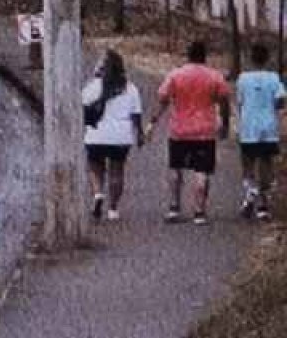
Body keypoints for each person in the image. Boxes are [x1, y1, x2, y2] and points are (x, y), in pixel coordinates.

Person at [152, 39, 233, 224]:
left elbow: (163, 98)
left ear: (188, 55)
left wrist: (154, 120)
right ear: (205, 56)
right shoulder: (214, 76)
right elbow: (224, 101)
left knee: (175, 167)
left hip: (179, 129)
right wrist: (225, 124)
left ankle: (174, 207)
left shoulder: (176, 75)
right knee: (201, 170)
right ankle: (199, 211)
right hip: (204, 130)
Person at [82, 49, 144, 221]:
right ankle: (113, 209)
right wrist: (139, 134)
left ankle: (97, 194)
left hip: (96, 135)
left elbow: (83, 110)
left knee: (95, 167)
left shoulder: (92, 87)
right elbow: (136, 115)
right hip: (121, 136)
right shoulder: (130, 88)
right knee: (117, 171)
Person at [235, 43, 285, 220]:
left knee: (247, 164)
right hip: (268, 128)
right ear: (267, 59)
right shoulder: (274, 78)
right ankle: (263, 205)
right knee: (266, 165)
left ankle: (250, 191)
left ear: (251, 58)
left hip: (248, 127)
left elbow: (240, 102)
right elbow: (280, 101)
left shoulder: (242, 78)